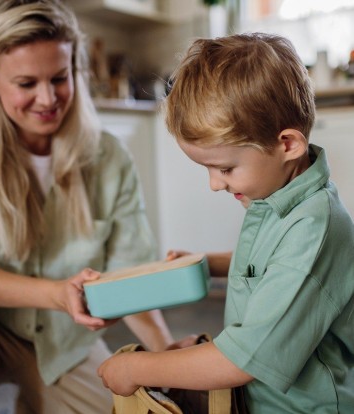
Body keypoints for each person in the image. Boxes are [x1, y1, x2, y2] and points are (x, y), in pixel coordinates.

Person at [0, 1, 183, 413]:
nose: (48, 98)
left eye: (59, 77)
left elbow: (129, 276)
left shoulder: (109, 157)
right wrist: (55, 293)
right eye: (26, 83)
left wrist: (173, 365)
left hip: (64, 341)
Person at [98, 33, 354, 413]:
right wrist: (212, 262)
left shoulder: (314, 228)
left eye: (225, 168)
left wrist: (137, 367)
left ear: (287, 145)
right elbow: (275, 263)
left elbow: (240, 360)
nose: (215, 184)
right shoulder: (280, 198)